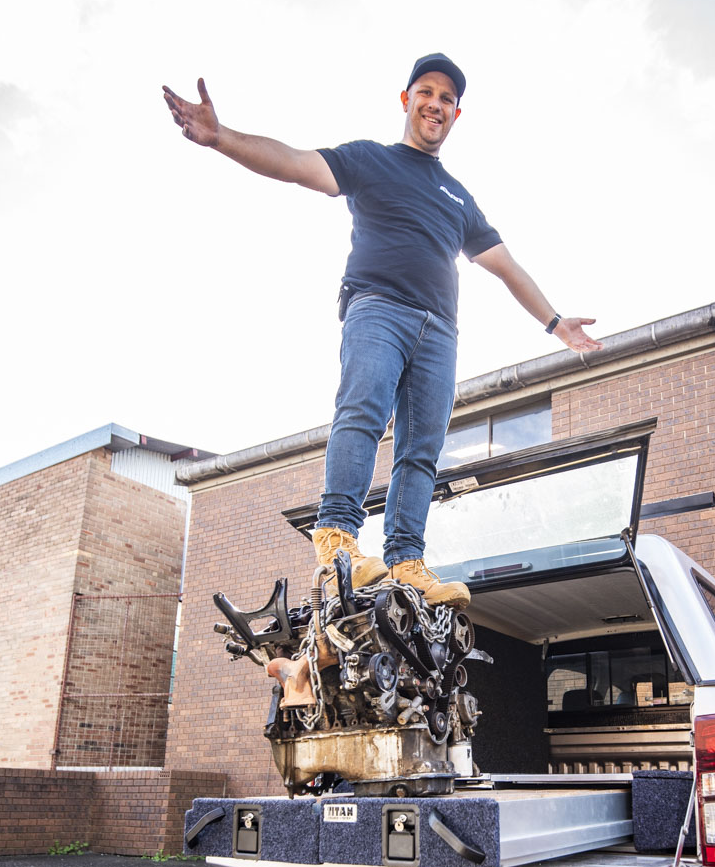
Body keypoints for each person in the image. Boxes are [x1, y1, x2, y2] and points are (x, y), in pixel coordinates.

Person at [163, 53, 602, 608]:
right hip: (378, 309)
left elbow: (508, 267)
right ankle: (337, 540)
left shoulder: (459, 198)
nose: (435, 104)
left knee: (422, 449)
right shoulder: (371, 160)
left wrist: (556, 323)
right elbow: (296, 163)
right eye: (426, 92)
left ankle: (406, 559)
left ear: (456, 114)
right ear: (407, 99)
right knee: (363, 412)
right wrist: (222, 137)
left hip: (440, 331)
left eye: (447, 98)